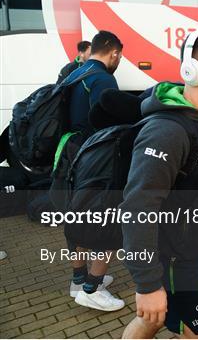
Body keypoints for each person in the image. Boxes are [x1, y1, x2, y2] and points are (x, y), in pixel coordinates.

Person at [120, 30, 198, 339]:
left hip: (188, 255)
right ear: (193, 70)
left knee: (153, 321)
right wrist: (147, 284)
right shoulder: (168, 131)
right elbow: (138, 207)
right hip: (171, 262)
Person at [61, 30, 125, 311]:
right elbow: (109, 123)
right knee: (108, 221)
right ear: (113, 53)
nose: (119, 61)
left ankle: (78, 280)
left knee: (76, 220)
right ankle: (92, 288)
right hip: (96, 160)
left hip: (71, 154)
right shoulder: (103, 79)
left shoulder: (75, 73)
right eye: (119, 57)